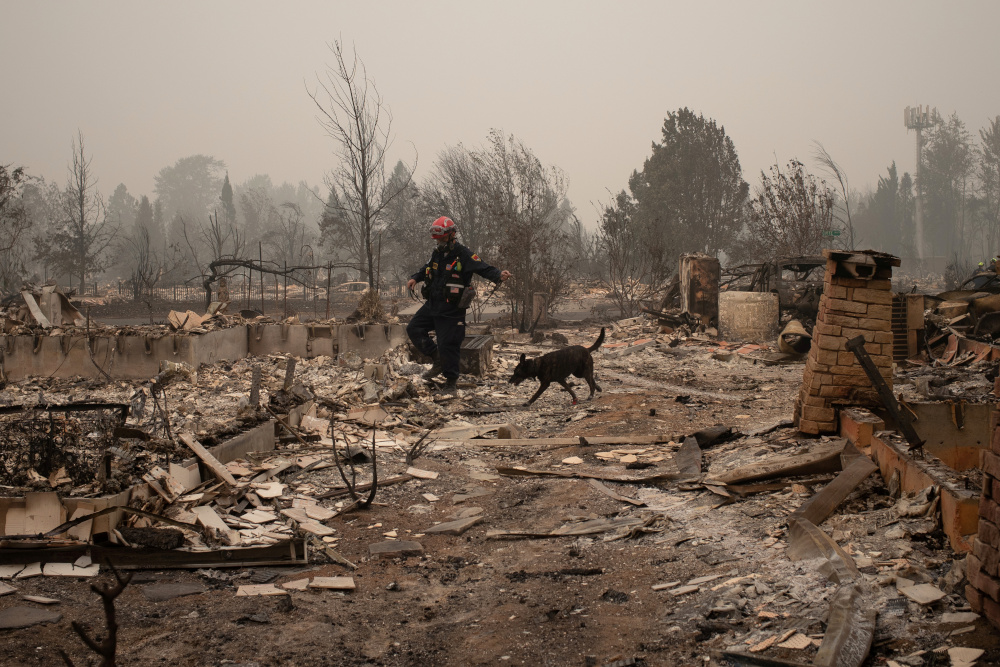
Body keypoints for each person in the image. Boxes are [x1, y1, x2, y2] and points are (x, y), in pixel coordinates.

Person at [406, 216, 511, 390]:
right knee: (414, 328)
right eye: (436, 238)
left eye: (441, 237)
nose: (439, 241)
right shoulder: (437, 253)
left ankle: (451, 383)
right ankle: (437, 358)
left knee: (449, 344)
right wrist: (415, 278)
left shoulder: (463, 254)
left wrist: (499, 275)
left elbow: (483, 267)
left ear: (451, 234)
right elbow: (426, 269)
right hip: (433, 305)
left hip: (452, 310)